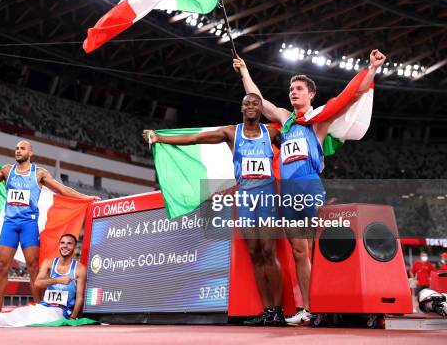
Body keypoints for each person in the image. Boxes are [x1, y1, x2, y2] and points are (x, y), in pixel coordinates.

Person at [235, 49, 386, 325]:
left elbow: (350, 96)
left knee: (320, 250)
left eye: (300, 89)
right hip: (289, 190)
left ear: (311, 95)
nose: (293, 92)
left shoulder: (319, 121)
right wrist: (244, 70)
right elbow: (258, 99)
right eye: (292, 88)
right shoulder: (285, 119)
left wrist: (372, 69)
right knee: (299, 251)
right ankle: (310, 307)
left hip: (309, 185)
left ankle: (331, 304)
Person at [143, 93, 286, 326]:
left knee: (269, 252)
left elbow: (292, 157)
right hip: (246, 197)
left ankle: (278, 311)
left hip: (267, 197)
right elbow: (194, 139)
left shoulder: (272, 134)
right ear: (242, 108)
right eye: (247, 103)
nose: (251, 106)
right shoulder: (231, 132)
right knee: (255, 255)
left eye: (255, 104)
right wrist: (159, 137)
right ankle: (267, 310)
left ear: (261, 109)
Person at [0, 140, 96, 312]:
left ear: (30, 153)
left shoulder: (39, 173)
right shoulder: (7, 170)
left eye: (22, 148)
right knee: (2, 266)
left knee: (33, 267)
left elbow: (62, 190)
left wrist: (87, 198)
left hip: (29, 225)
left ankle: (40, 308)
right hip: (10, 224)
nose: (18, 151)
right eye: (16, 148)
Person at [0, 234, 86, 327]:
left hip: (62, 310)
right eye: (62, 243)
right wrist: (58, 280)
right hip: (44, 306)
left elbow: (80, 297)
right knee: (24, 312)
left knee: (42, 318)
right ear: (59, 245)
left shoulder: (79, 269)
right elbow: (38, 283)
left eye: (69, 243)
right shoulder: (49, 263)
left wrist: (72, 318)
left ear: (75, 247)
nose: (65, 246)